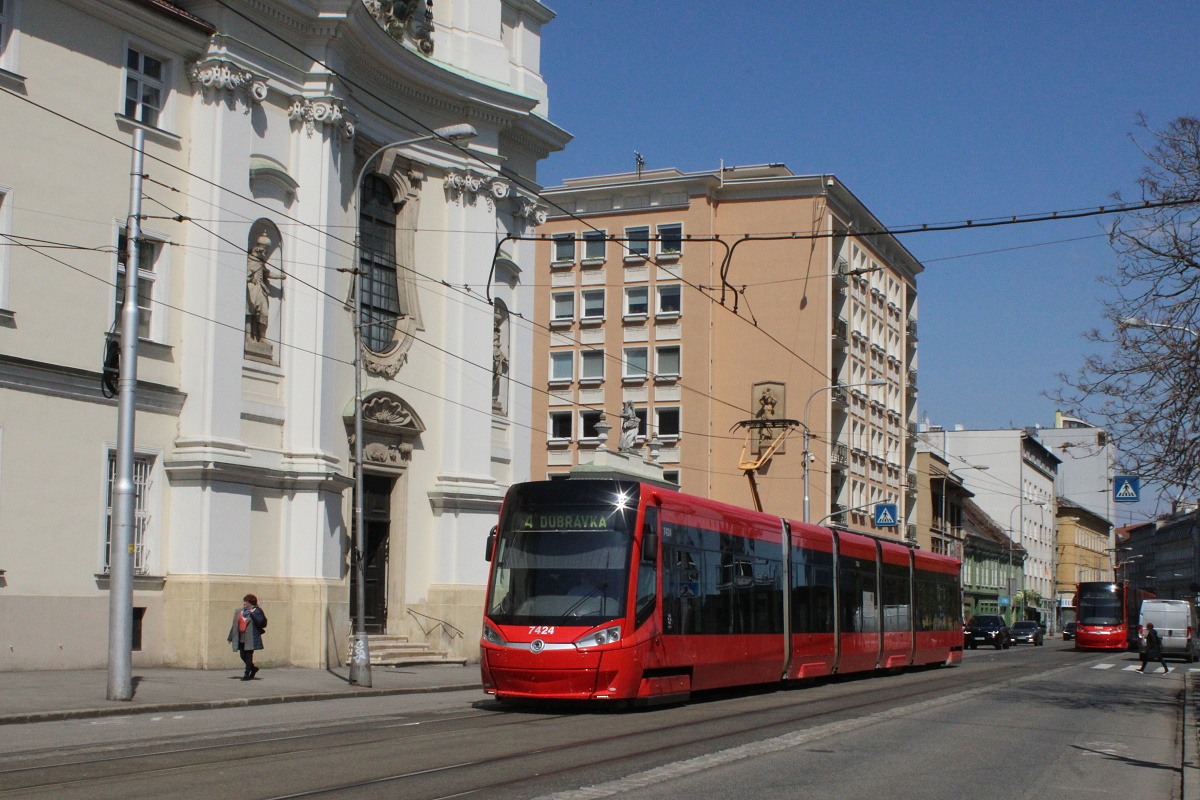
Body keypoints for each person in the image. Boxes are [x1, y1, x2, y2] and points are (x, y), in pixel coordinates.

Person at [227, 593, 267, 680]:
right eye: (244, 601)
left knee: (249, 656)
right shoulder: (240, 612)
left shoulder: (257, 611)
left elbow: (262, 623)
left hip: (250, 637)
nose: (244, 603)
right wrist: (230, 637)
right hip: (241, 637)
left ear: (251, 603)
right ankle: (253, 668)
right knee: (242, 655)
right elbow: (235, 625)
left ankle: (246, 674)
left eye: (246, 602)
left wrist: (253, 614)